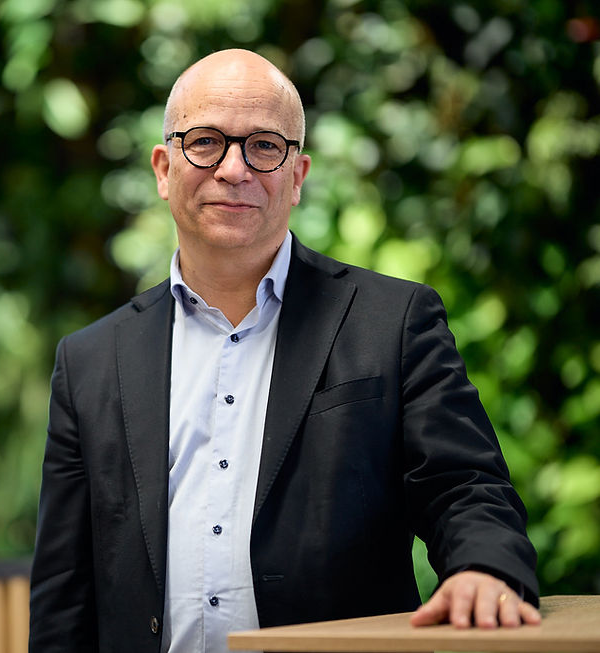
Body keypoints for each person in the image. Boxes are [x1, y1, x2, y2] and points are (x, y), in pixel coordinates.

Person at [29, 49, 541, 653]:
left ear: (296, 177)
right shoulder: (90, 360)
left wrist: (486, 569)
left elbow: (466, 488)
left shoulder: (392, 323)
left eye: (265, 146)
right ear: (164, 169)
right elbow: (64, 593)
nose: (234, 169)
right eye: (206, 142)